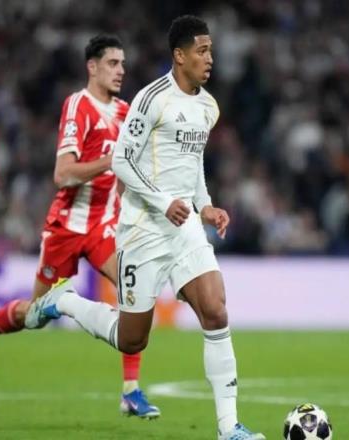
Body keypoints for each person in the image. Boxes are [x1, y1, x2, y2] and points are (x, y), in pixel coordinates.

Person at [24, 16, 266, 440]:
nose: (210, 58)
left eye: (211, 50)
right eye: (202, 51)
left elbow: (192, 165)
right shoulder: (151, 99)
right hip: (142, 229)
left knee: (216, 310)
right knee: (132, 339)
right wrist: (162, 201)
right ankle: (65, 301)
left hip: (184, 227)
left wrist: (205, 206)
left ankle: (229, 428)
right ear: (180, 55)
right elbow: (121, 161)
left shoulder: (208, 107)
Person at [0, 34, 159, 419]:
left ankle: (131, 391)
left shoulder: (126, 113)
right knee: (34, 315)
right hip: (66, 228)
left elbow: (129, 173)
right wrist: (111, 161)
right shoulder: (78, 106)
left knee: (135, 287)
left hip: (104, 226)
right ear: (92, 67)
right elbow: (63, 174)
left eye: (122, 63)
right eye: (113, 63)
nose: (121, 70)